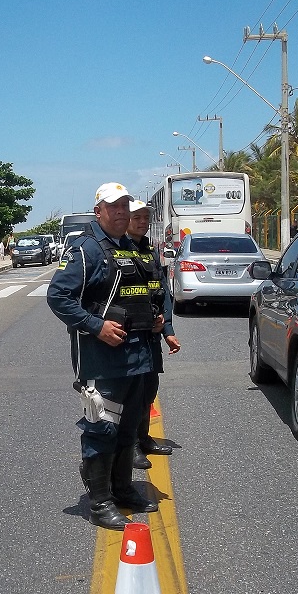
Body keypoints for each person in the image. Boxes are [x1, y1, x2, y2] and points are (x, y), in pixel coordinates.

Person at [47, 182, 164, 530]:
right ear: (98, 211)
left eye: (125, 205)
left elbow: (142, 292)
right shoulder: (85, 249)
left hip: (138, 355)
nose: (121, 212)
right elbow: (58, 296)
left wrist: (156, 319)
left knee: (128, 427)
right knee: (102, 428)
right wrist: (96, 326)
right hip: (103, 359)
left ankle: (123, 489)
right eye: (113, 207)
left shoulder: (130, 247)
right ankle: (99, 503)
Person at [126, 200, 181, 470]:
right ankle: (131, 447)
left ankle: (144, 438)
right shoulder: (118, 250)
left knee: (149, 389)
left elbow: (162, 292)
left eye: (145, 217)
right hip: (129, 336)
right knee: (132, 394)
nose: (142, 222)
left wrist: (167, 329)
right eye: (136, 217)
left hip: (151, 334)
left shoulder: (149, 250)